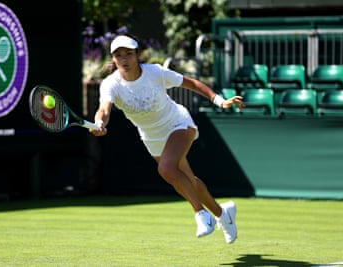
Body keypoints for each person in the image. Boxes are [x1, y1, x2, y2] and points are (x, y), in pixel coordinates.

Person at [89, 34, 245, 244]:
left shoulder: (155, 72)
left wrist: (220, 101)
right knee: (187, 181)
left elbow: (192, 84)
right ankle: (223, 214)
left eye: (128, 54)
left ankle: (201, 214)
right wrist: (100, 123)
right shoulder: (110, 85)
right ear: (113, 59)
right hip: (152, 137)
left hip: (178, 123)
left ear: (138, 55)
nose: (124, 59)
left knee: (166, 169)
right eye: (118, 55)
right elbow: (103, 110)